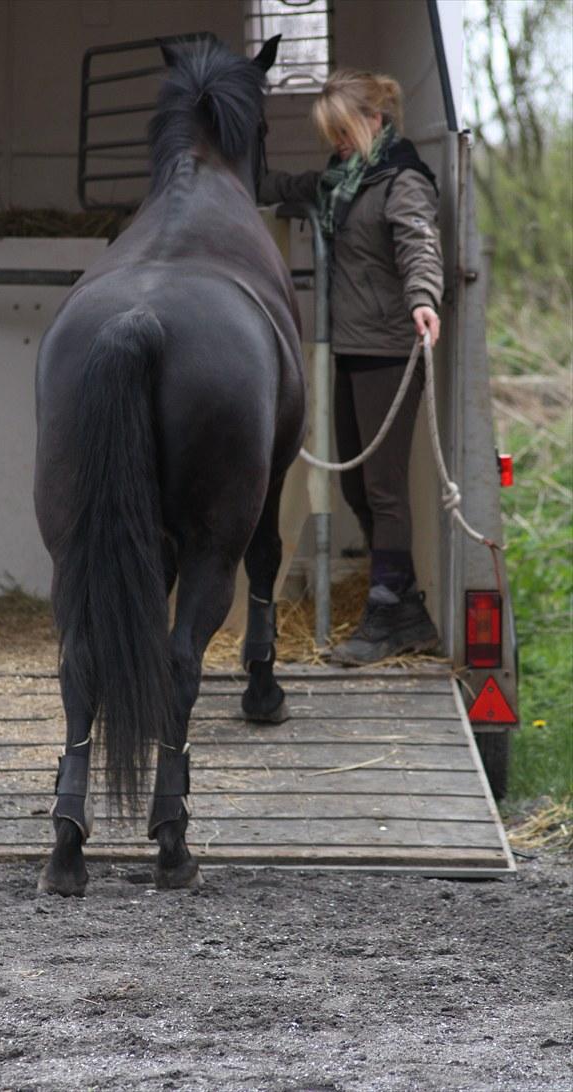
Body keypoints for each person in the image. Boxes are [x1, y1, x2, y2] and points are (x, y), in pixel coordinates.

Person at [259, 68, 444, 665]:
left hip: (390, 348)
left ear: (375, 121)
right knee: (354, 483)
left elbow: (419, 243)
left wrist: (423, 299)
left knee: (384, 490)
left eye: (343, 130)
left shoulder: (402, 180)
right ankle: (404, 606)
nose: (336, 143)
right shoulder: (342, 181)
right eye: (330, 134)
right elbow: (282, 183)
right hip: (349, 347)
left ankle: (390, 609)